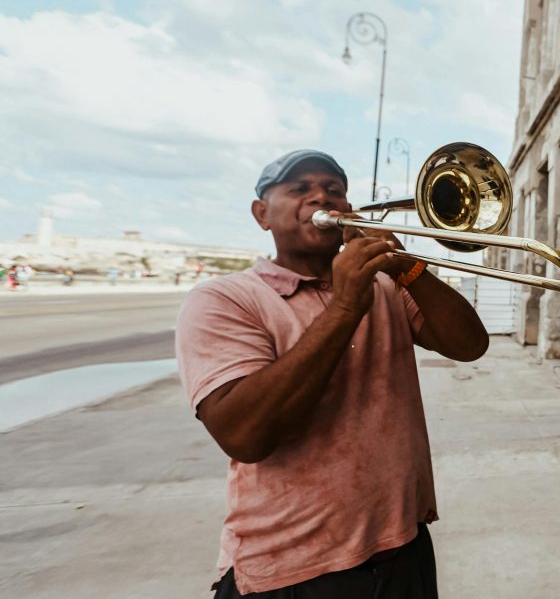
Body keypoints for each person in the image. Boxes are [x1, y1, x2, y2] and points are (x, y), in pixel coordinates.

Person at [175, 149, 488, 598]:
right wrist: (344, 306)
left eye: (334, 189)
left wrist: (410, 268)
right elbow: (244, 436)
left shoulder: (385, 286)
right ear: (261, 214)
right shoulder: (225, 299)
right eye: (299, 188)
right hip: (293, 567)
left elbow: (469, 345)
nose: (322, 196)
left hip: (403, 548)